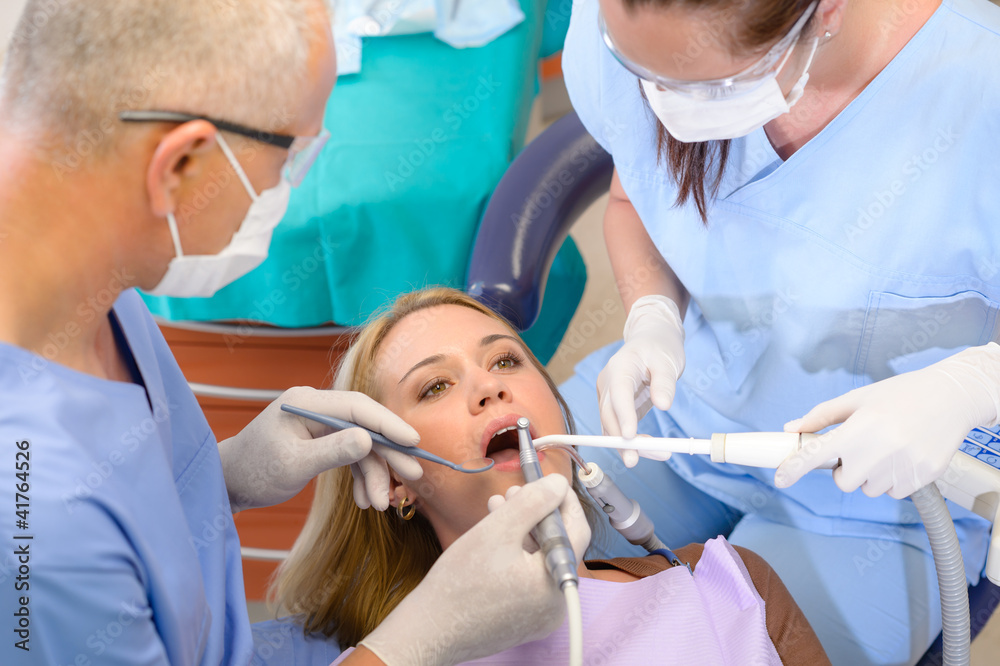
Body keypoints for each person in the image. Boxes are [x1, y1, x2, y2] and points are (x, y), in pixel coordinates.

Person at [0, 2, 593, 663]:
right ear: (180, 165)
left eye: (507, 360)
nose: (294, 187)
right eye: (290, 154)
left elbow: (117, 504)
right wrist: (417, 642)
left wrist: (218, 479)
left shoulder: (80, 274)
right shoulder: (38, 527)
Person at [556, 0, 1000, 663]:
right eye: (642, 73)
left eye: (706, 83)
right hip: (673, 416)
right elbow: (631, 197)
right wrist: (651, 316)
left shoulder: (977, 94)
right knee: (452, 566)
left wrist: (971, 386)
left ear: (824, 13)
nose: (663, 105)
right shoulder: (618, 21)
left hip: (880, 501)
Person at [257, 287, 829, 665]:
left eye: (505, 360)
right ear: (395, 480)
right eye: (435, 386)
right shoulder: (399, 652)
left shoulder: (725, 581)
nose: (490, 387)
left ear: (557, 410)